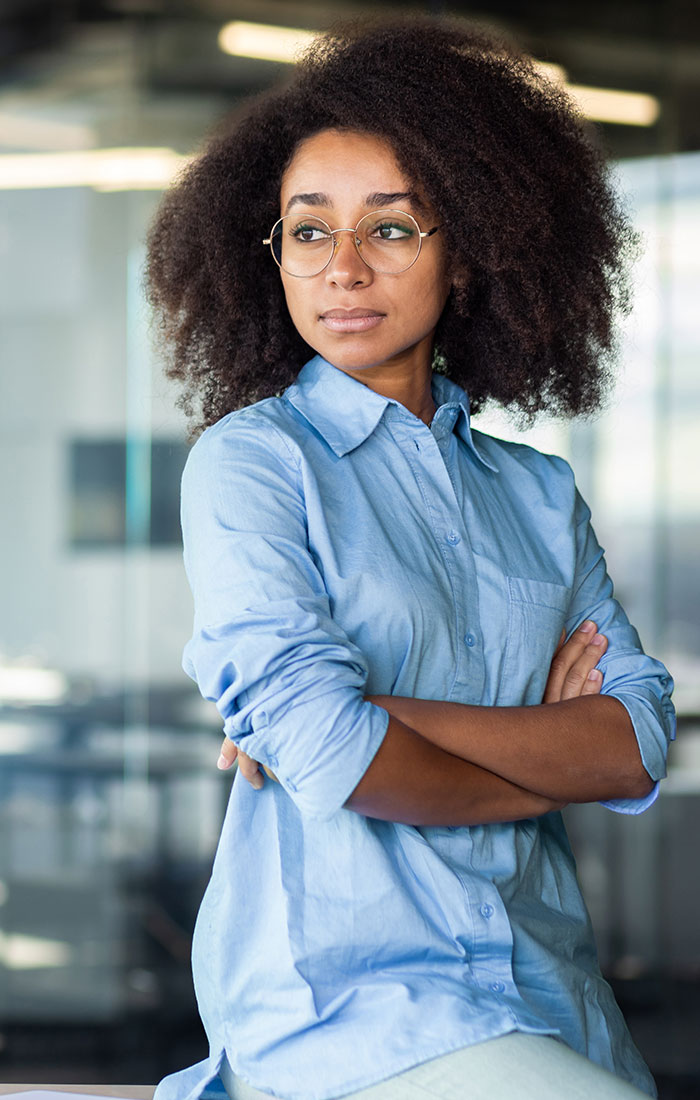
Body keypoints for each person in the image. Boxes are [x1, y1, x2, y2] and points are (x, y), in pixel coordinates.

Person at [145, 17, 675, 1100]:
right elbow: (332, 752)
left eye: (390, 230)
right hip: (351, 1006)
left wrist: (382, 714)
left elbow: (633, 745)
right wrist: (535, 762)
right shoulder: (253, 465)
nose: (342, 267)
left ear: (469, 249)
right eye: (307, 231)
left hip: (549, 989)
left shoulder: (535, 493)